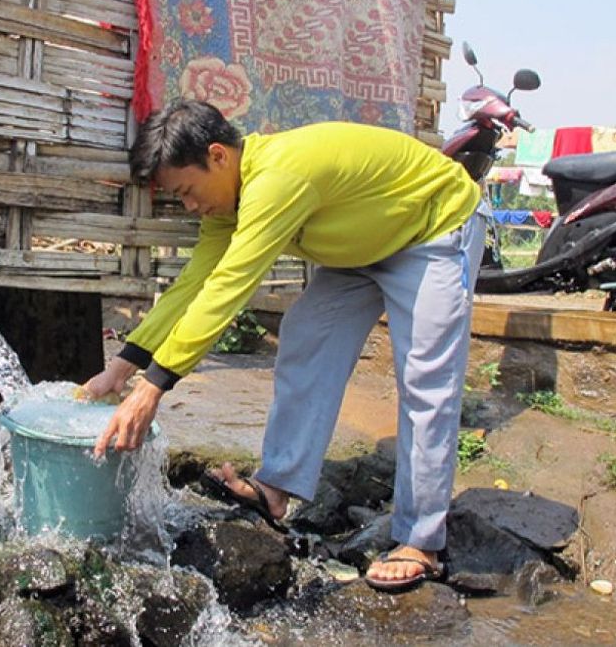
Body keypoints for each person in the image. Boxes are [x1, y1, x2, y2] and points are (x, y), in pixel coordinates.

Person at [83, 99, 487, 593]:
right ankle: (275, 489)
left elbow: (228, 288)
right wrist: (123, 368)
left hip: (433, 226)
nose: (190, 206)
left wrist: (154, 388)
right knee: (305, 338)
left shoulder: (276, 179)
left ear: (218, 156)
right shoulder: (227, 202)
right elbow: (196, 281)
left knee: (426, 377)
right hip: (364, 243)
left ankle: (421, 541)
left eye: (188, 191)